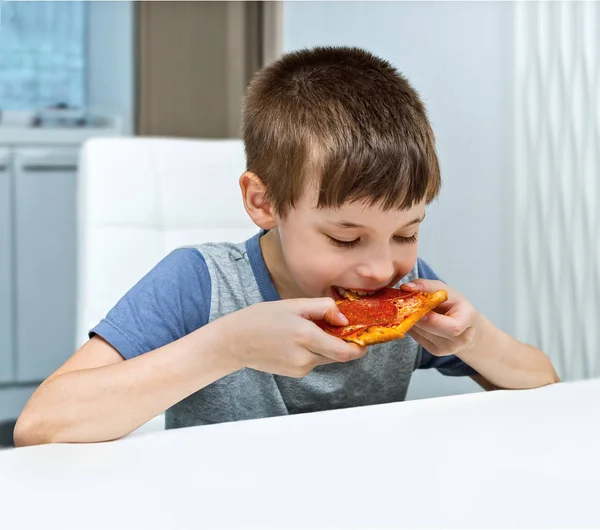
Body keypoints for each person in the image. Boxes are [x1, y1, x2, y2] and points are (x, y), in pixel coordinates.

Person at [14, 46, 559, 446]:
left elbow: (545, 387)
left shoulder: (401, 285)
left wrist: (472, 336)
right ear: (264, 203)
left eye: (407, 233)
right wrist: (225, 346)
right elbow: (41, 425)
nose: (379, 267)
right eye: (345, 237)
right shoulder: (199, 283)